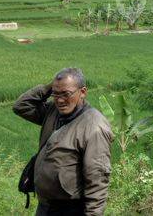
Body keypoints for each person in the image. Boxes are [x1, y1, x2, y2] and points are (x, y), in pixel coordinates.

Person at [13, 68, 114, 216]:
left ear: (83, 92)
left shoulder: (94, 127)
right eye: (56, 94)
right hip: (46, 206)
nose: (60, 100)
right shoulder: (54, 111)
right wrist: (50, 87)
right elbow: (21, 106)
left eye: (66, 94)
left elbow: (97, 181)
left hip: (70, 208)